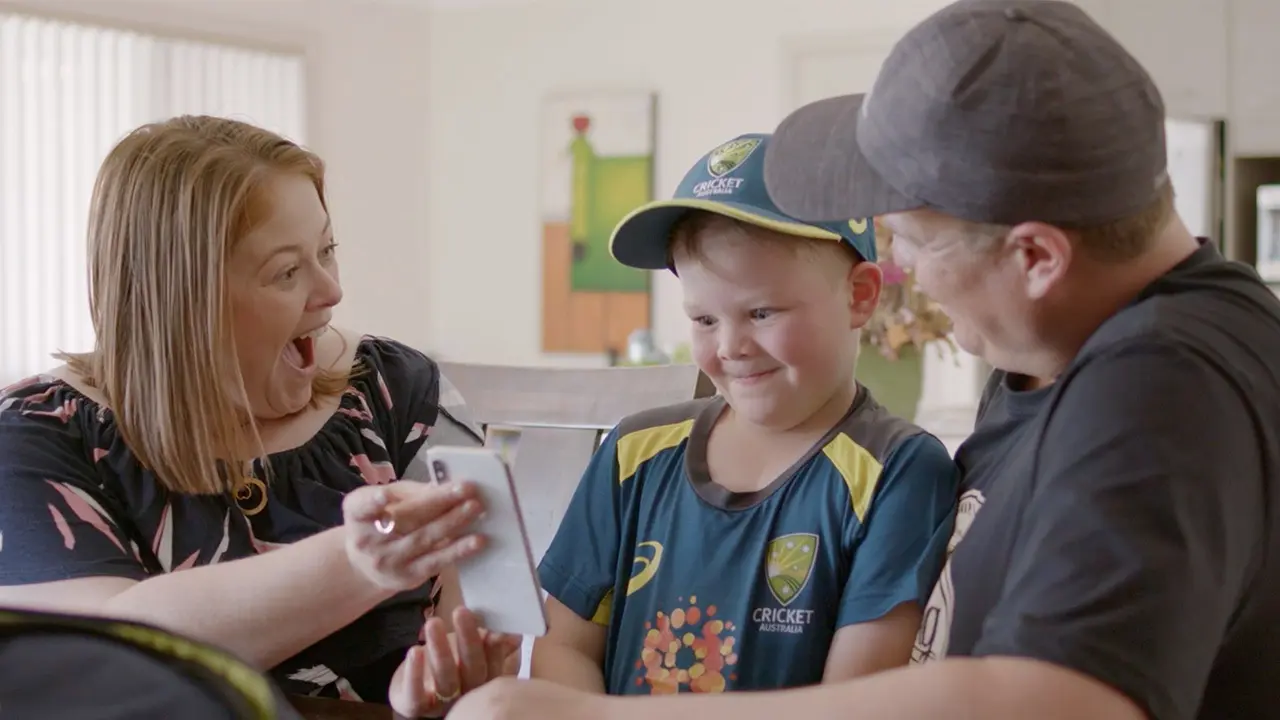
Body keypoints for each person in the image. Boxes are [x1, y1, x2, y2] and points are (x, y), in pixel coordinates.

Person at [448, 1, 1280, 719]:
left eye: (912, 240)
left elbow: (1058, 699)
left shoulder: (1166, 390)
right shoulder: (1055, 360)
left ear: (1036, 257)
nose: (903, 272)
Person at [0, 115, 519, 719]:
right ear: (183, 305)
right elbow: (104, 655)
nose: (331, 291)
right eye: (287, 271)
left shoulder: (396, 390)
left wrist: (451, 690)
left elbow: (486, 631)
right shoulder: (39, 433)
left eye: (327, 249)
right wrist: (355, 561)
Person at [529, 133, 959, 695]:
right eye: (704, 320)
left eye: (761, 312)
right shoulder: (634, 453)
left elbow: (855, 702)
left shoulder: (898, 471)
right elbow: (561, 647)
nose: (730, 346)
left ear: (859, 296)